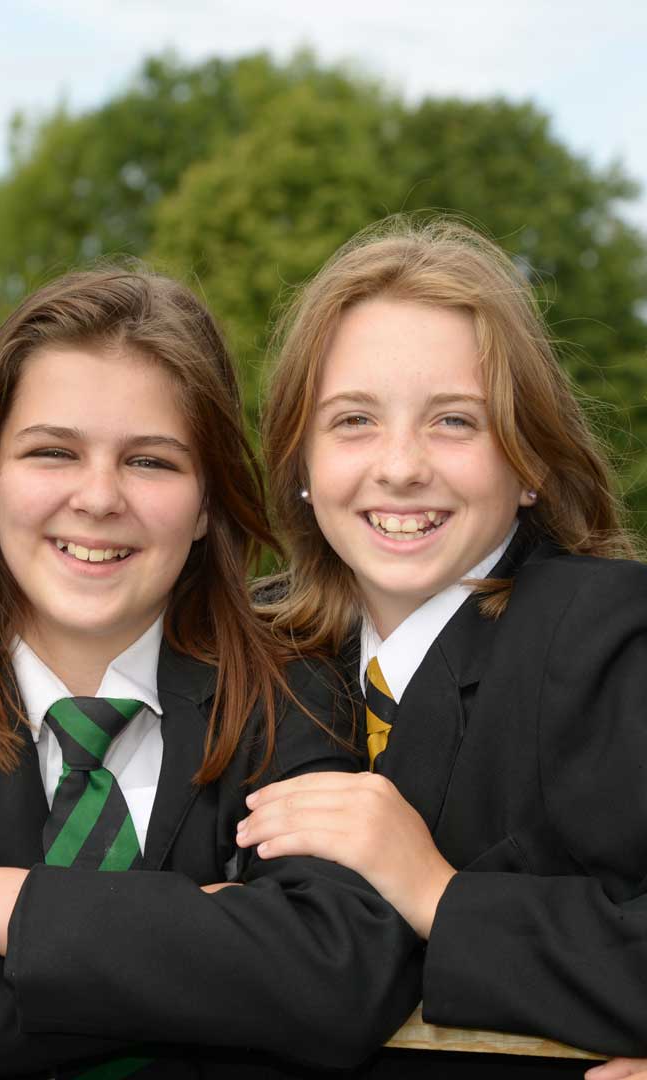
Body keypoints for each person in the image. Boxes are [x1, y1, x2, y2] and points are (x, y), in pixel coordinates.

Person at [0, 267, 422, 1078]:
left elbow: (337, 974)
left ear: (205, 504)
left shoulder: (287, 698)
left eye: (151, 463)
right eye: (53, 451)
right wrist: (199, 950)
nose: (98, 499)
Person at [237, 216, 647, 1076]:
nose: (399, 466)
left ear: (529, 459)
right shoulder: (252, 651)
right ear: (301, 465)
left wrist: (437, 892)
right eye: (353, 421)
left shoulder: (607, 636)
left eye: (454, 422)